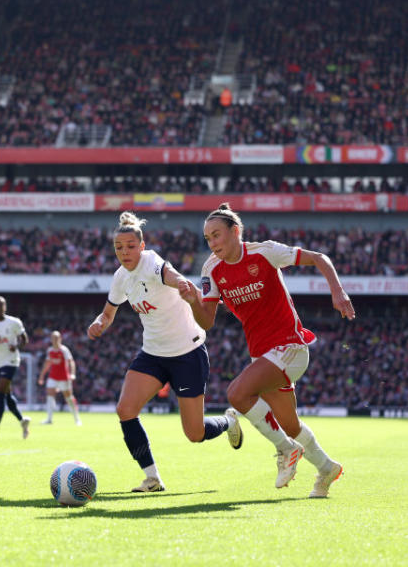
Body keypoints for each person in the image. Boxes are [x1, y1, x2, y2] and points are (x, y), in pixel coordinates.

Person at [179, 203, 354, 496]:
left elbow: (320, 258)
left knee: (236, 393)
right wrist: (192, 301)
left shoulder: (264, 251)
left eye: (217, 235)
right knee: (289, 423)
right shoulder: (211, 268)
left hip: (291, 346)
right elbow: (206, 322)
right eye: (207, 238)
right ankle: (327, 469)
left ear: (236, 232)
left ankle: (286, 450)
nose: (212, 243)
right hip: (263, 355)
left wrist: (338, 291)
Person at [87, 211, 243, 493]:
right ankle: (152, 478)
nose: (125, 252)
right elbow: (108, 313)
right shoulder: (121, 277)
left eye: (131, 246)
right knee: (125, 409)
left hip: (187, 352)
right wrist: (99, 323)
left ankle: (227, 420)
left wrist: (181, 283)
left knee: (194, 434)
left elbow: (169, 274)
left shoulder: (151, 261)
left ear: (142, 246)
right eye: (119, 248)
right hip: (153, 354)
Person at [0, 295, 31, 441]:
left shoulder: (14, 322)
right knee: (7, 396)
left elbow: (25, 340)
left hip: (11, 361)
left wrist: (16, 346)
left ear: (5, 307)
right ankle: (22, 421)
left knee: (0, 392)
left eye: (0, 305)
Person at [37, 331, 82, 426]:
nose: (55, 340)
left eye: (57, 338)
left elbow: (71, 362)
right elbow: (47, 364)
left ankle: (77, 419)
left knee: (69, 398)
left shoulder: (64, 350)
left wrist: (72, 374)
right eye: (53, 338)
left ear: (60, 339)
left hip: (64, 378)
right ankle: (49, 419)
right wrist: (42, 376)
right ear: (51, 339)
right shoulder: (50, 350)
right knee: (50, 396)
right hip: (53, 377)